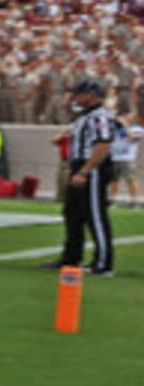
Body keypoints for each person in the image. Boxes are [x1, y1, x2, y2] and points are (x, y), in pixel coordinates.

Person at [57, 79, 118, 275]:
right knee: (72, 213)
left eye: (80, 93)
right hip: (81, 164)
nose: (77, 97)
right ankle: (71, 258)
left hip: (93, 166)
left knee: (95, 214)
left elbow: (103, 145)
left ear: (91, 95)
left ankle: (103, 263)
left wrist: (85, 170)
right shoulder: (84, 116)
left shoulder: (100, 117)